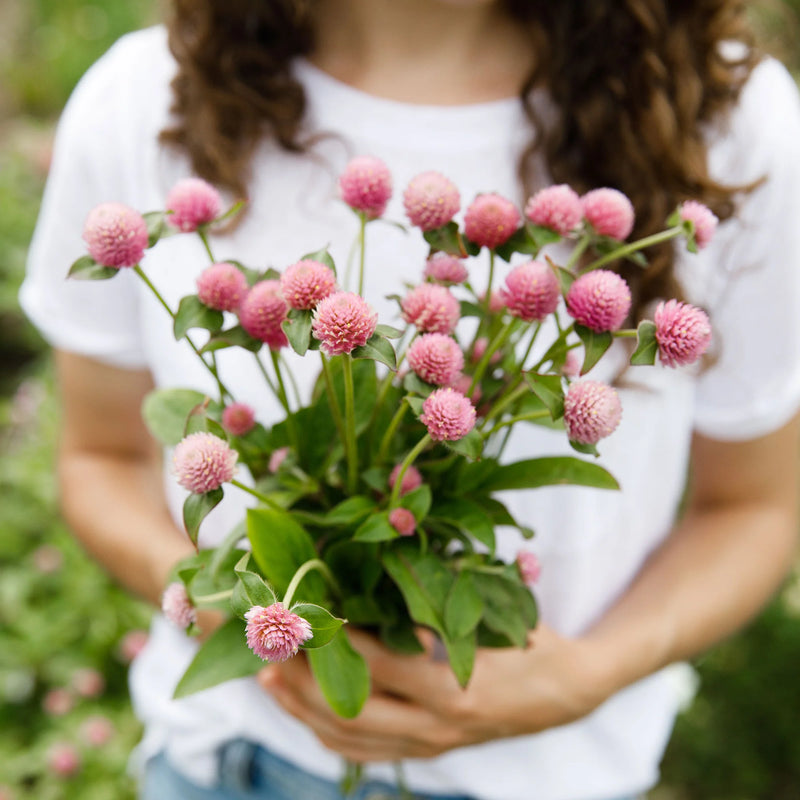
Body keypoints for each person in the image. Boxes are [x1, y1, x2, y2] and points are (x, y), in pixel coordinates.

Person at [19, 1, 800, 799]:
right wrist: (235, 606)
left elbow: (755, 507)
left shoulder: (728, 121)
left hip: (550, 776)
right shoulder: (144, 98)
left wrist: (589, 674)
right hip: (231, 762)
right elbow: (100, 456)